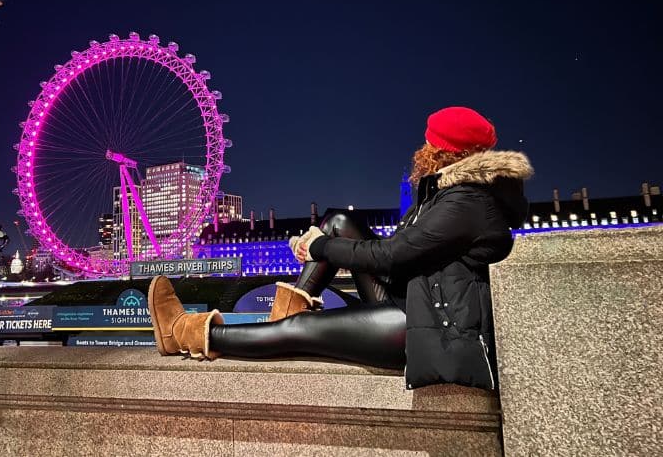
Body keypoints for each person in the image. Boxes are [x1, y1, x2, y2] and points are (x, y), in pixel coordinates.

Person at [149, 106, 533, 390]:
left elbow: (389, 256)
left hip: (429, 326)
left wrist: (321, 248)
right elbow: (400, 252)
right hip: (417, 297)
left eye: (429, 140)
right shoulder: (450, 193)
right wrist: (326, 241)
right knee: (338, 221)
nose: (423, 146)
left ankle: (184, 332)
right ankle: (281, 321)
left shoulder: (466, 202)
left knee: (303, 328)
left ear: (444, 150)